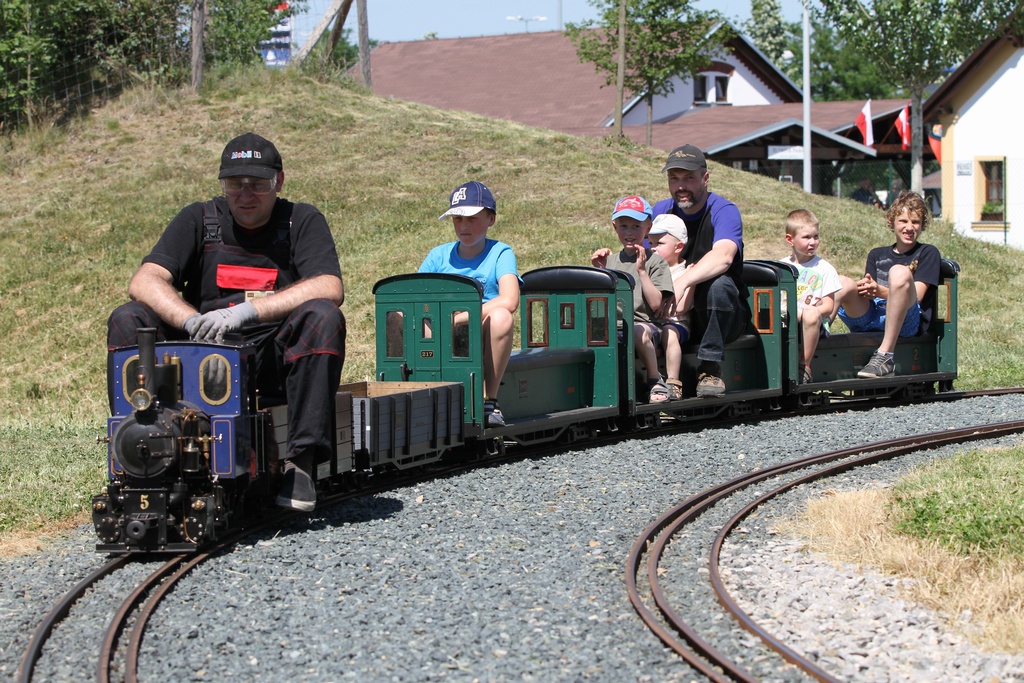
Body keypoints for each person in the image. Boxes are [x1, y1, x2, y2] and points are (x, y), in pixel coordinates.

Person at [107, 132, 346, 512]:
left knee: (323, 317)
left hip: (269, 359)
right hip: (199, 358)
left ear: (279, 182)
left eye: (258, 184)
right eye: (235, 184)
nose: (245, 195)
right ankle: (137, 450)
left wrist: (248, 311)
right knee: (128, 317)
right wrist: (189, 319)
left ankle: (300, 464)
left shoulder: (301, 220)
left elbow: (329, 286)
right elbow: (144, 281)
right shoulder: (198, 219)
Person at [651, 144, 750, 398]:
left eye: (688, 178)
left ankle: (710, 368)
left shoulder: (723, 210)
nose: (680, 186)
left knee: (719, 285)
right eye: (674, 178)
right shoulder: (660, 212)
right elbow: (641, 257)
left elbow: (724, 256)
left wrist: (683, 281)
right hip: (674, 315)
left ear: (705, 178)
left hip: (722, 314)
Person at [420, 181, 520, 427]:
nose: (463, 226)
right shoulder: (438, 256)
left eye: (472, 218)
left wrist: (460, 318)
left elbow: (510, 299)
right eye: (457, 219)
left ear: (491, 219)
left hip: (479, 331)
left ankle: (489, 400)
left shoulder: (500, 252)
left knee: (502, 317)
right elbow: (417, 298)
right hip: (441, 331)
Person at [833, 191, 942, 378]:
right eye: (903, 221)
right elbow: (871, 294)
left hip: (908, 319)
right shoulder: (876, 254)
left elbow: (917, 296)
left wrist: (879, 291)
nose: (909, 227)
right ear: (892, 222)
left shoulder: (928, 252)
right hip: (874, 314)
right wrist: (865, 289)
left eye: (915, 222)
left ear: (922, 225)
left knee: (899, 272)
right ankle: (818, 333)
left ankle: (885, 356)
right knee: (843, 282)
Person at [592, 196, 675, 403]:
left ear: (648, 228)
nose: (629, 232)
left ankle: (655, 379)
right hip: (614, 325)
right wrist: (600, 271)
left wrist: (641, 271)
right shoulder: (610, 261)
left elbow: (656, 304)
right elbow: (600, 304)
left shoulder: (656, 262)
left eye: (636, 226)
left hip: (646, 325)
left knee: (637, 331)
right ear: (615, 227)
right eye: (624, 226)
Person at [779, 209, 841, 384]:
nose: (813, 242)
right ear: (790, 239)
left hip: (814, 324)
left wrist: (805, 313)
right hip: (787, 320)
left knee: (812, 314)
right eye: (806, 237)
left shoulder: (825, 268)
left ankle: (804, 366)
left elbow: (828, 306)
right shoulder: (781, 267)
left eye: (816, 236)